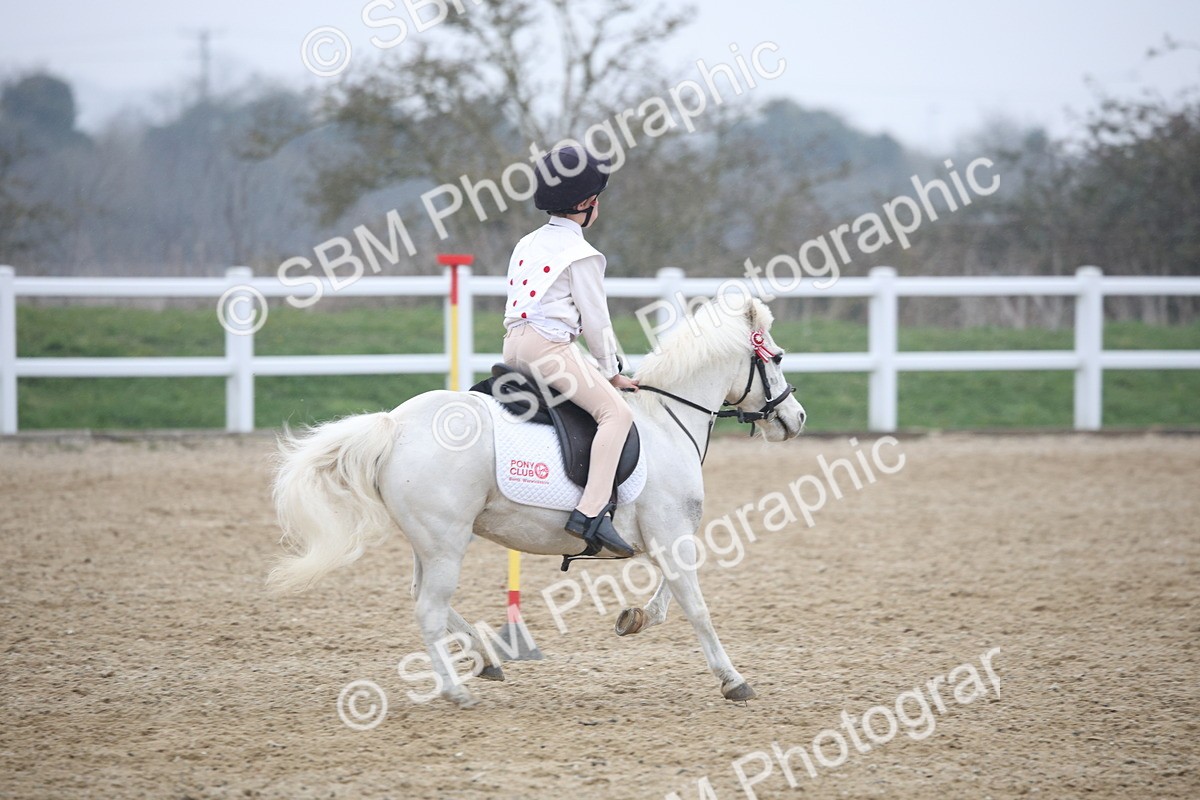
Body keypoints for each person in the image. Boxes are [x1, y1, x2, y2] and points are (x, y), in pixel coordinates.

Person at [502, 145, 638, 558]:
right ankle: (590, 514)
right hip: (550, 349)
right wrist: (610, 371)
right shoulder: (583, 254)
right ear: (585, 204)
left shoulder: (526, 242)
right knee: (616, 413)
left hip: (512, 347)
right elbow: (596, 323)